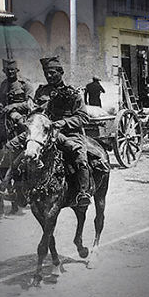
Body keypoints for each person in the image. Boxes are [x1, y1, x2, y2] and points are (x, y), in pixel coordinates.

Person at [32, 56, 101, 205]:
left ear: (61, 72)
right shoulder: (41, 92)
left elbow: (83, 117)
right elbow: (34, 112)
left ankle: (83, 193)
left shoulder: (72, 93)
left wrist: (63, 122)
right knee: (27, 151)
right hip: (45, 133)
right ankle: (17, 188)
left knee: (80, 156)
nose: (49, 76)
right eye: (46, 73)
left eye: (52, 73)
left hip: (70, 134)